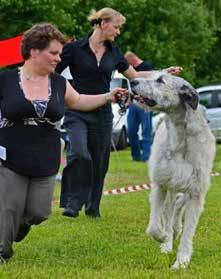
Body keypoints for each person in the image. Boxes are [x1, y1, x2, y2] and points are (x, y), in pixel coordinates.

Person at [0, 22, 127, 263]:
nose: (59, 59)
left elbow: (78, 101)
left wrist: (108, 96)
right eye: (54, 53)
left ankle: (18, 228)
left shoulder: (58, 83)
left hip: (45, 157)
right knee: (9, 207)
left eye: (60, 53)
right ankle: (2, 250)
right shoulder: (5, 80)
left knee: (39, 212)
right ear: (34, 51)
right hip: (10, 156)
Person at [56, 7, 182, 219]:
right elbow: (53, 73)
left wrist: (162, 73)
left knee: (100, 161)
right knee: (79, 153)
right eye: (116, 26)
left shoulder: (114, 52)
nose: (118, 31)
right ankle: (73, 201)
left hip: (103, 113)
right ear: (103, 24)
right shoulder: (74, 49)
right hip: (76, 110)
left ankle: (92, 207)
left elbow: (135, 74)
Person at [125, 51, 154, 162]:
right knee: (131, 131)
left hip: (145, 104)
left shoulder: (147, 67)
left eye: (128, 65)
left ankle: (146, 157)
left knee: (146, 131)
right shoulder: (131, 72)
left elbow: (152, 86)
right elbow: (131, 88)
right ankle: (136, 156)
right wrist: (128, 101)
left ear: (132, 61)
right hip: (134, 103)